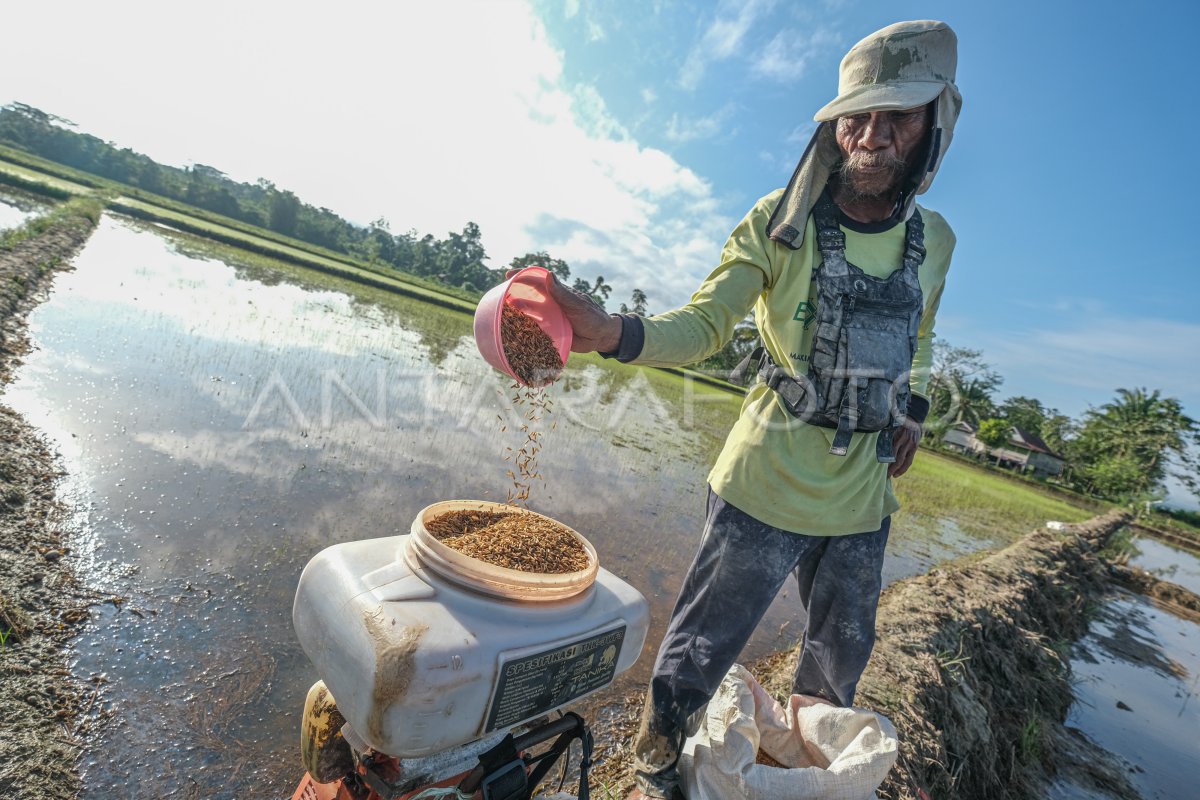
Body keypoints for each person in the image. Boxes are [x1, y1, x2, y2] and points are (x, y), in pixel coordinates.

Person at [544, 20, 961, 799]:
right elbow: (704, 327)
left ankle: (796, 764)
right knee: (700, 648)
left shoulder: (935, 240)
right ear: (833, 127)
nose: (870, 137)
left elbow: (923, 333)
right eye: (855, 117)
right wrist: (613, 333)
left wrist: (912, 408)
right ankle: (656, 761)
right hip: (763, 482)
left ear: (935, 124)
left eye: (895, 118)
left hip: (862, 496)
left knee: (840, 656)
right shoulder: (782, 220)